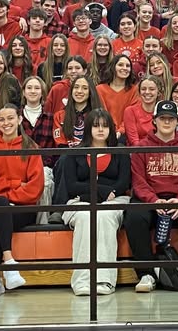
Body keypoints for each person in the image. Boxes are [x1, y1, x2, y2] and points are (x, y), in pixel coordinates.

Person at [124, 100, 178, 293]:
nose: (167, 122)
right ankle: (146, 274)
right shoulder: (141, 148)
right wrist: (153, 201)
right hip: (150, 199)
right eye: (163, 118)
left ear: (177, 121)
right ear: (155, 121)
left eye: (171, 118)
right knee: (134, 217)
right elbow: (138, 181)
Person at [0, 104, 44, 296]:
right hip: (0, 208)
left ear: (19, 119)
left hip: (23, 210)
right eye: (2, 119)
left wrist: (4, 192)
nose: (6, 123)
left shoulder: (30, 147)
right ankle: (9, 263)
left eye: (10, 118)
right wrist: (17, 183)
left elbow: (34, 189)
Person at [63, 109, 131, 296]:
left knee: (104, 216)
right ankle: (82, 281)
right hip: (80, 201)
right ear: (88, 129)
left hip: (115, 199)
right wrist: (100, 191)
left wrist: (109, 193)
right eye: (95, 126)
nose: (101, 130)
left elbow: (124, 182)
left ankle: (104, 280)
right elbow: (72, 185)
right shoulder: (75, 153)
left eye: (105, 125)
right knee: (86, 217)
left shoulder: (120, 151)